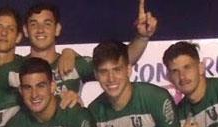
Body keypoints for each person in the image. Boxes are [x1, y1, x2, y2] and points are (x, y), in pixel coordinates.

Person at [21, 2, 158, 97]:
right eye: (34, 24)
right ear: (26, 31)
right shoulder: (15, 67)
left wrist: (142, 37)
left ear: (57, 29)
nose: (40, 30)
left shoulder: (75, 64)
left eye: (47, 24)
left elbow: (121, 60)